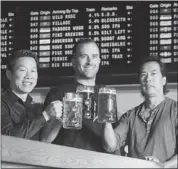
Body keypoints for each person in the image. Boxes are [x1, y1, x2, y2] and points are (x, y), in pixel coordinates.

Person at [102, 56, 177, 168]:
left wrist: (163, 165)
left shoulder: (175, 110)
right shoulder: (129, 116)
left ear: (164, 80)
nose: (148, 79)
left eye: (153, 73)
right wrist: (106, 119)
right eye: (143, 75)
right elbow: (111, 145)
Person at [42, 38, 115, 152]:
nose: (90, 61)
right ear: (74, 61)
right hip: (66, 162)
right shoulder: (58, 92)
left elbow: (111, 147)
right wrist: (61, 118)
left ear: (99, 60)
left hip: (99, 162)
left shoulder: (105, 93)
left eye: (94, 56)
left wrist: (106, 120)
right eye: (83, 56)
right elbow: (45, 140)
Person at [1, 49, 63, 141]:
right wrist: (45, 115)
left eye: (33, 71)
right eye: (22, 70)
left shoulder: (35, 107)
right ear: (9, 74)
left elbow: (45, 141)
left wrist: (58, 119)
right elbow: (6, 139)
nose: (29, 76)